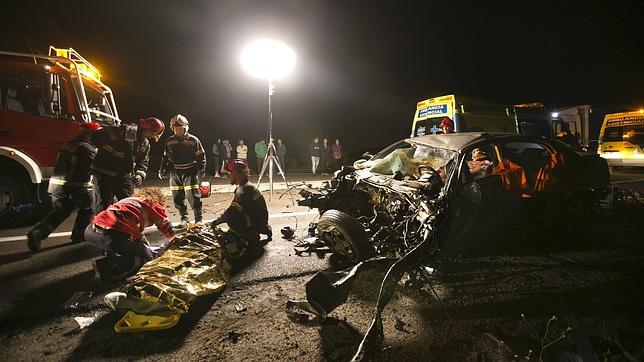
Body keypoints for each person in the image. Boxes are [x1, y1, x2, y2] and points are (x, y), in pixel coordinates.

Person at [26, 122, 101, 252]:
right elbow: (93, 168)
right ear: (91, 134)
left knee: (61, 212)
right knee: (88, 209)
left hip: (58, 186)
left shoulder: (69, 144)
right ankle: (79, 235)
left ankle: (38, 232)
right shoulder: (87, 148)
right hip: (77, 186)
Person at [85, 188, 174, 282]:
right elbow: (166, 226)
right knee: (145, 259)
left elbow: (136, 235)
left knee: (129, 247)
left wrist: (143, 246)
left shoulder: (128, 201)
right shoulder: (152, 204)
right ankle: (108, 269)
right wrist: (173, 240)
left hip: (91, 231)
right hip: (112, 235)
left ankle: (109, 260)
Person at [90, 117, 165, 212]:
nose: (151, 136)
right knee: (105, 206)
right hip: (104, 174)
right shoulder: (123, 131)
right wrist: (116, 134)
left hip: (124, 177)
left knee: (129, 206)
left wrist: (139, 175)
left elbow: (143, 162)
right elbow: (95, 138)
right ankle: (103, 226)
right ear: (145, 127)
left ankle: (124, 226)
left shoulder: (145, 144)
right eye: (152, 133)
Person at [211, 159, 272, 247]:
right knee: (235, 213)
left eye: (229, 174)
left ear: (236, 174)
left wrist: (215, 223)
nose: (228, 177)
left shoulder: (244, 190)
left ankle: (250, 235)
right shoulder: (247, 186)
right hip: (260, 220)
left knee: (232, 218)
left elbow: (232, 211)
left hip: (256, 223)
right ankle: (263, 228)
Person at [159, 114, 206, 225]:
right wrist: (162, 169)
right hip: (175, 173)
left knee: (193, 196)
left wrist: (201, 169)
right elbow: (165, 157)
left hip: (190, 172)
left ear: (185, 128)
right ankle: (184, 217)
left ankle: (198, 218)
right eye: (175, 129)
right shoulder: (170, 141)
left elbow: (201, 156)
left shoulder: (193, 140)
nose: (177, 131)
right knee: (177, 196)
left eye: (179, 128)